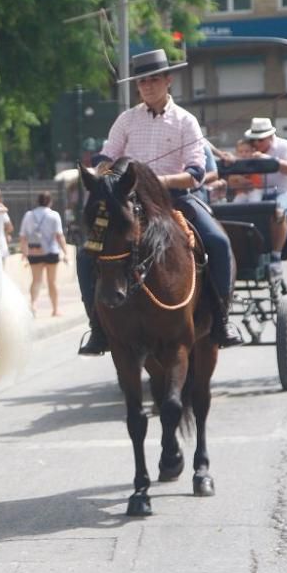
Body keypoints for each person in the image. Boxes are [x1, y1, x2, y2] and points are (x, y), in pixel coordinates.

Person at [77, 48, 243, 355]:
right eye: (142, 82)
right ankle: (97, 326)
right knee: (87, 253)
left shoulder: (186, 121)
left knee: (218, 242)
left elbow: (195, 172)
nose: (147, 86)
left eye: (154, 79)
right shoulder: (126, 120)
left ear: (168, 80)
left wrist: (154, 182)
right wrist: (101, 175)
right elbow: (105, 157)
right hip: (127, 203)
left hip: (176, 200)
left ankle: (221, 320)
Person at [242, 117, 287, 275]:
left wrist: (270, 160)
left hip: (284, 192)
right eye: (254, 140)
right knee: (239, 211)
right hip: (259, 192)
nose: (257, 144)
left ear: (270, 137)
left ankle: (275, 256)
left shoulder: (284, 146)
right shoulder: (250, 150)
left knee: (278, 211)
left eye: (260, 140)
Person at [19, 191, 68, 316]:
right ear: (50, 202)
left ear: (37, 201)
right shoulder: (54, 215)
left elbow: (23, 237)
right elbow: (59, 236)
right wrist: (66, 252)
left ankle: (34, 305)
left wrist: (24, 253)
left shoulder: (28, 215)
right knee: (52, 282)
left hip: (34, 252)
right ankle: (55, 309)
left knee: (36, 280)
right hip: (51, 251)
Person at [227, 138, 264, 204]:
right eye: (240, 152)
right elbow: (231, 178)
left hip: (255, 189)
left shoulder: (254, 161)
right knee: (236, 204)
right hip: (241, 192)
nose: (243, 154)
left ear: (252, 151)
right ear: (236, 153)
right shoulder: (235, 164)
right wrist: (238, 178)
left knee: (254, 202)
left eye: (247, 151)